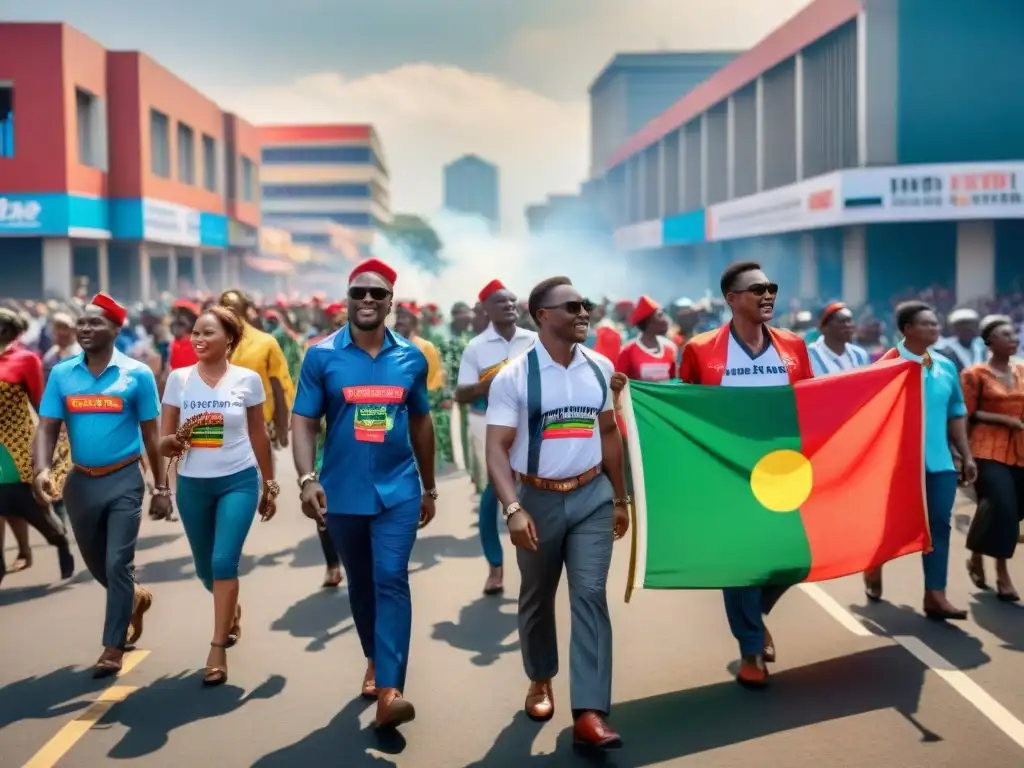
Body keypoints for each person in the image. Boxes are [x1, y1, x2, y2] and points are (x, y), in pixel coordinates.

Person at [291, 258, 437, 730]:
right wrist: (306, 478)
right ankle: (375, 657)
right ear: (347, 301)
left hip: (399, 490)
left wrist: (430, 486)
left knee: (392, 576)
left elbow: (420, 419)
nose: (368, 300)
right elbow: (304, 420)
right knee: (362, 584)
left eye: (377, 294)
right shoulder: (320, 356)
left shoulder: (411, 358)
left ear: (391, 301)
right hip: (342, 493)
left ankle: (391, 690)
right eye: (359, 293)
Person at [485, 276, 628, 750]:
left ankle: (589, 711)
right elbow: (496, 449)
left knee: (589, 595)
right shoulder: (513, 377)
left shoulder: (600, 367)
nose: (583, 312)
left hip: (592, 497)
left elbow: (609, 433)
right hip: (537, 500)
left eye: (586, 304)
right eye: (571, 306)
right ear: (542, 315)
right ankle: (541, 677)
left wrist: (621, 498)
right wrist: (513, 508)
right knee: (537, 595)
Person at [679, 261, 813, 687]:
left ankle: (754, 616)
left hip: (784, 471)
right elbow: (684, 413)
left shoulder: (793, 345)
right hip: (728, 476)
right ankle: (751, 651)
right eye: (757, 289)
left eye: (771, 286)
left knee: (792, 560)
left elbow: (809, 404)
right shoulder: (701, 350)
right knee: (741, 566)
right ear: (732, 299)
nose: (768, 295)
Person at [34, 293, 173, 677]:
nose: (85, 328)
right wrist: (43, 469)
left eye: (95, 323)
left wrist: (161, 488)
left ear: (115, 329)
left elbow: (152, 434)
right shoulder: (63, 373)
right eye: (82, 322)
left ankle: (113, 646)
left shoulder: (137, 375)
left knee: (117, 562)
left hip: (125, 480)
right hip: (80, 483)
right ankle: (135, 597)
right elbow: (46, 427)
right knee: (100, 565)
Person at [159, 306, 279, 685]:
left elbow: (259, 432)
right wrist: (177, 440)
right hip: (193, 484)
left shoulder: (247, 380)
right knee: (205, 569)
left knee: (224, 561)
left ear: (229, 339)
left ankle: (217, 647)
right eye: (195, 333)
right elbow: (162, 443)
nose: (197, 339)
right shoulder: (178, 380)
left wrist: (270, 483)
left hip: (237, 481)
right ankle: (230, 610)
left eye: (207, 333)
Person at [868, 301, 977, 619]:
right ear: (907, 330)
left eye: (935, 322)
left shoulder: (945, 366)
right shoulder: (887, 365)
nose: (935, 328)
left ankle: (935, 594)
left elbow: (957, 412)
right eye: (927, 323)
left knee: (938, 528)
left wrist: (966, 455)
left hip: (939, 462)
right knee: (891, 526)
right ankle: (873, 563)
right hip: (897, 463)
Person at [455, 279, 537, 596]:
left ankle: (535, 568)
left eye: (512, 301)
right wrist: (489, 384)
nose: (509, 306)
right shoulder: (476, 347)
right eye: (501, 302)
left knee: (533, 494)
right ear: (486, 309)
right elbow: (461, 393)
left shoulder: (534, 340)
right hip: (490, 426)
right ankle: (495, 569)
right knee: (494, 495)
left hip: (530, 426)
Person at [0, 309, 75, 586]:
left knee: (32, 508)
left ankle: (60, 542)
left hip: (17, 444)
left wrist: (53, 443)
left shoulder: (25, 359)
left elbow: (41, 402)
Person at [961, 315, 1022, 602]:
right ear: (990, 342)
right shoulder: (975, 374)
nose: (1013, 339)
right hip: (986, 447)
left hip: (1020, 447)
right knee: (1003, 504)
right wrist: (1003, 420)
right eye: (1005, 335)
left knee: (1011, 507)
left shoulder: (1022, 370)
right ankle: (1002, 573)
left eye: (1014, 334)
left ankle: (975, 553)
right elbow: (966, 413)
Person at [218, 290, 293, 449]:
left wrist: (281, 427)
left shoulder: (265, 343)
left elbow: (277, 385)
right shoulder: (211, 342)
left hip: (256, 427)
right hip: (221, 427)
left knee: (256, 471)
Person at [614, 296, 677, 382]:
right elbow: (620, 385)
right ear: (648, 322)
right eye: (660, 315)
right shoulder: (628, 351)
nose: (666, 320)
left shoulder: (670, 348)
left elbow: (674, 381)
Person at [807, 302, 871, 375]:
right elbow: (792, 385)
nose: (848, 325)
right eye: (841, 321)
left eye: (849, 320)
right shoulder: (808, 357)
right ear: (823, 327)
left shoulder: (860, 355)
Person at [935, 307, 987, 374]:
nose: (969, 330)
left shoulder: (982, 345)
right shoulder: (946, 348)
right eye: (963, 328)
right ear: (955, 329)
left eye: (971, 326)